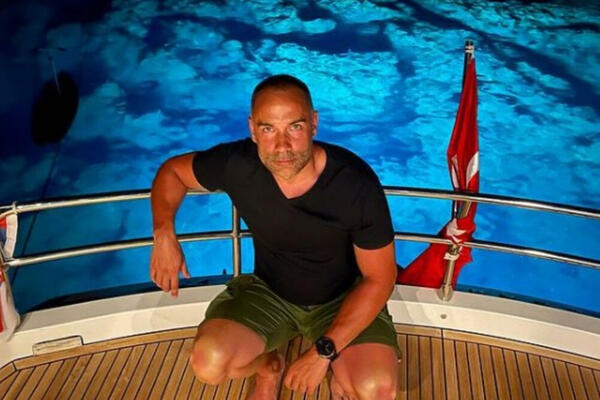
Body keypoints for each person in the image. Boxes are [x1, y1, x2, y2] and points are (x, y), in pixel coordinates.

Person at [150, 74, 400, 400]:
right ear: (253, 130)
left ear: (313, 124)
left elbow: (380, 278)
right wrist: (164, 233)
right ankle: (267, 366)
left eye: (294, 127)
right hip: (270, 294)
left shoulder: (355, 184)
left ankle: (339, 370)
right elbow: (172, 172)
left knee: (377, 389)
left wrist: (323, 352)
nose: (282, 146)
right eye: (268, 129)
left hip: (341, 299)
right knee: (208, 363)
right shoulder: (237, 164)